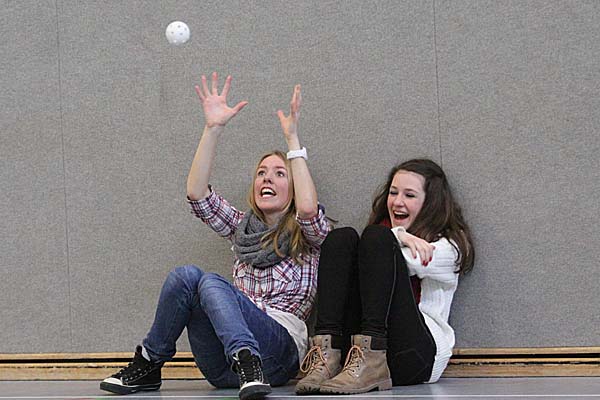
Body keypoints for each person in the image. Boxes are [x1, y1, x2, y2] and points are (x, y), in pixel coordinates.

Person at [100, 73, 331, 400]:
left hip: (277, 355)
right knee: (185, 276)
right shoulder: (242, 230)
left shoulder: (309, 237)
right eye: (261, 173)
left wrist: (292, 140)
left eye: (280, 174)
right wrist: (212, 129)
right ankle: (150, 362)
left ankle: (248, 358)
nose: (267, 179)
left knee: (210, 282)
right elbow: (197, 194)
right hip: (224, 366)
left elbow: (307, 209)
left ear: (294, 188)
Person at [295, 159, 475, 395]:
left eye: (409, 195)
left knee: (376, 239)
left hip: (416, 357)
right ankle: (326, 356)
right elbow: (370, 260)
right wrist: (396, 236)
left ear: (431, 203)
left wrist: (395, 235)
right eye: (393, 192)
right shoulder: (380, 238)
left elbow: (401, 260)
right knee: (341, 239)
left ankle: (373, 358)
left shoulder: (449, 245)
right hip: (355, 358)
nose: (397, 202)